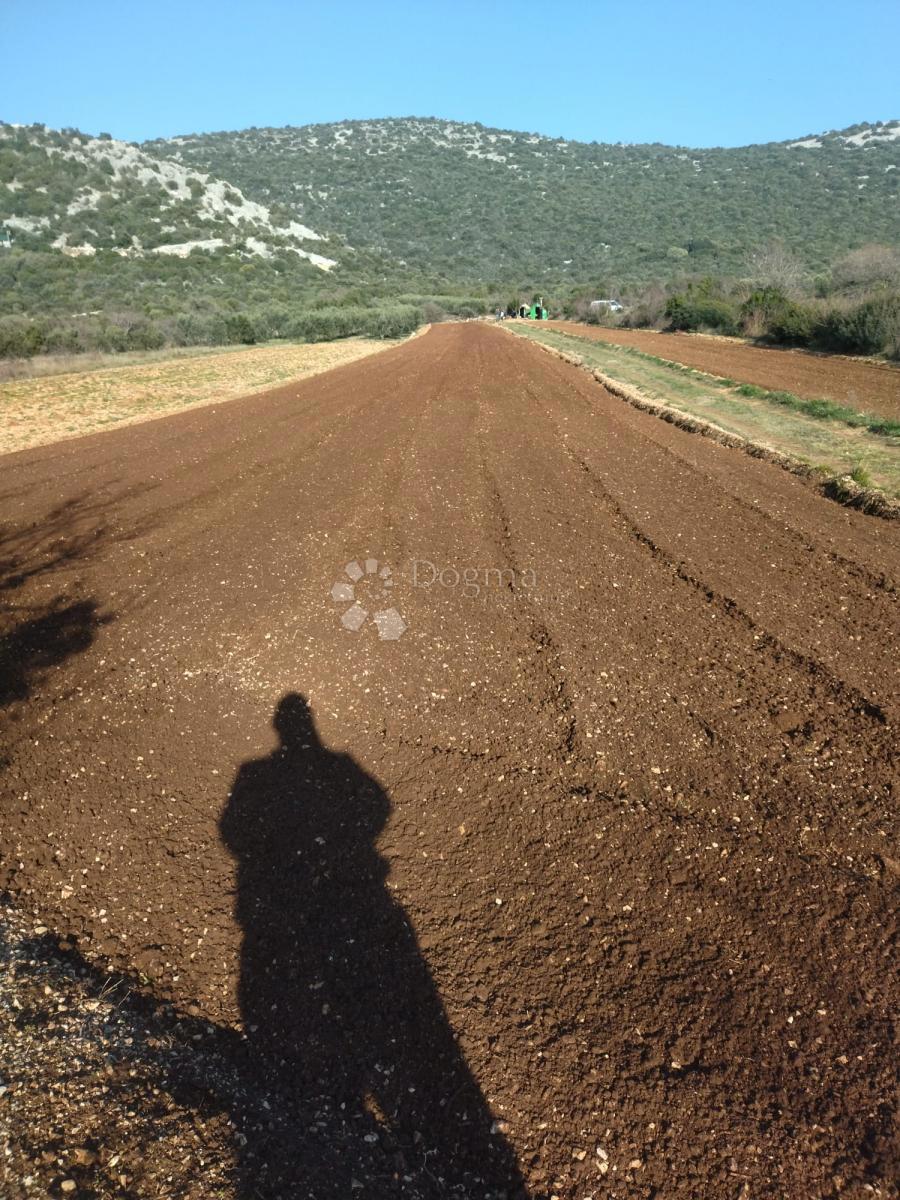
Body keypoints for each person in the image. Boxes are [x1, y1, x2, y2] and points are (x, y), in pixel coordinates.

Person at [220, 693, 526, 1198]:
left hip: (286, 895)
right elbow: (375, 804)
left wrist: (274, 845)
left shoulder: (255, 774)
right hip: (353, 888)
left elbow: (233, 831)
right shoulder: (325, 767)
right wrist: (348, 836)